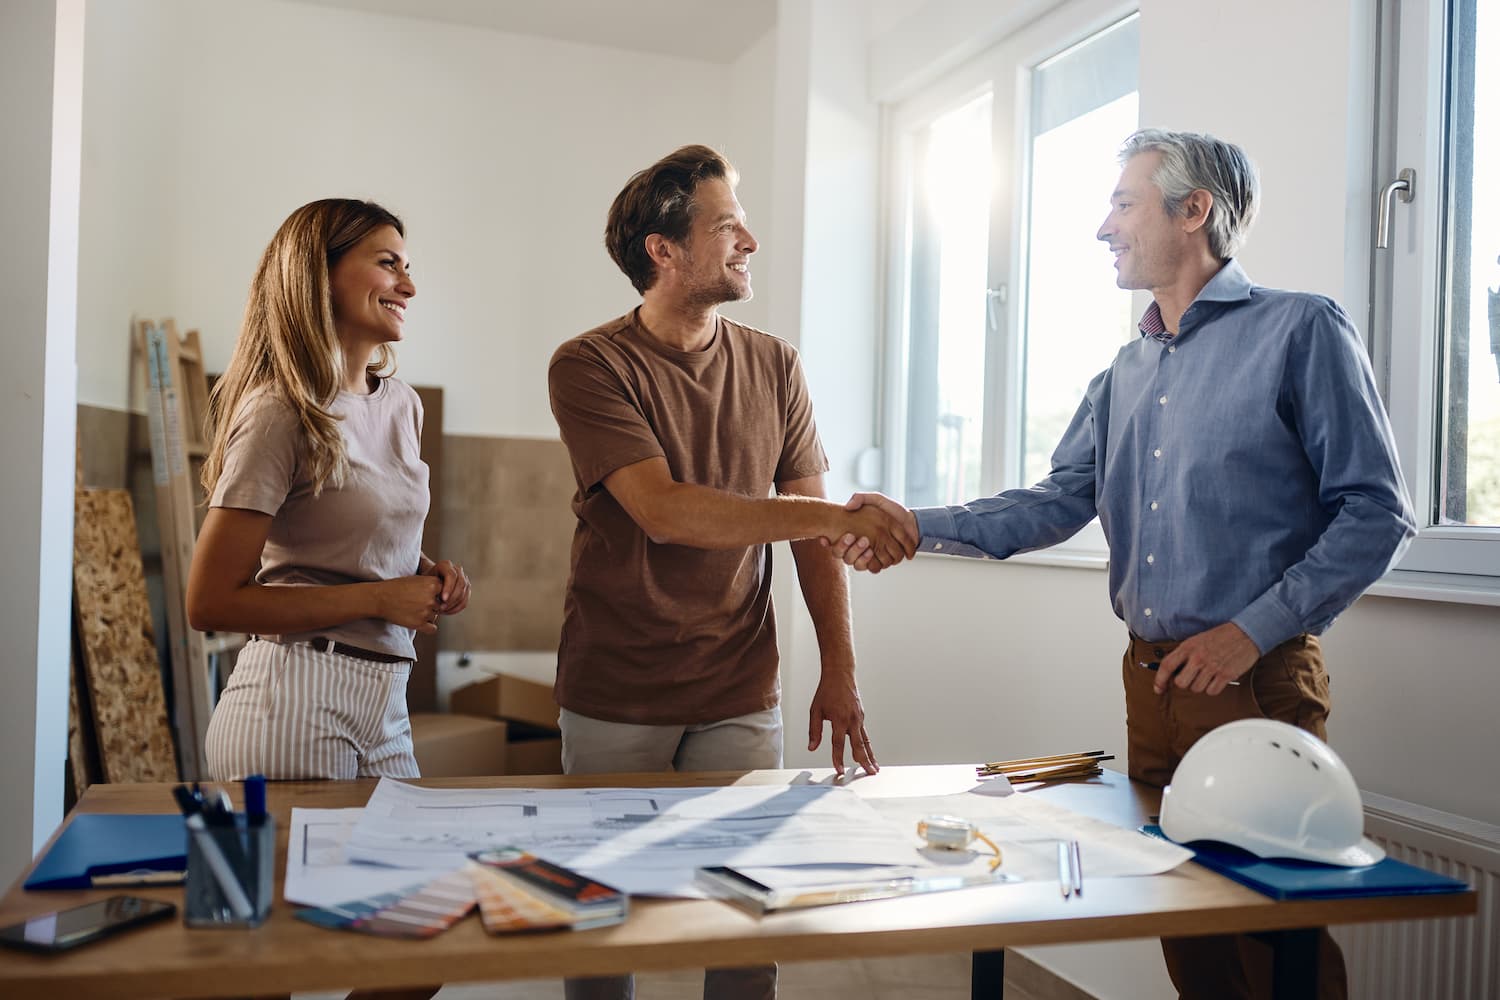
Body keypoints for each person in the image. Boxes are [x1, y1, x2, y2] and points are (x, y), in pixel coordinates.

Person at [834, 129, 1416, 1000]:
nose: (1103, 228)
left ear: (1195, 211)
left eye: (1121, 203)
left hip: (1252, 680)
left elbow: (1377, 509)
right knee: (1183, 917)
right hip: (1151, 683)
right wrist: (912, 525)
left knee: (1271, 931)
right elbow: (1054, 502)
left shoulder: (1300, 329)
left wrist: (1247, 634)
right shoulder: (1123, 372)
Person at [547, 144, 916, 1000]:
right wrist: (837, 516)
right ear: (663, 251)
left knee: (748, 919)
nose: (749, 239)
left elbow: (811, 540)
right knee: (601, 918)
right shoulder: (590, 365)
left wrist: (841, 671)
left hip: (738, 688)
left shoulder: (775, 363)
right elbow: (666, 512)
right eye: (726, 225)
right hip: (616, 688)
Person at [188, 198, 470, 784]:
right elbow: (209, 601)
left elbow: (348, 545)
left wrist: (424, 575)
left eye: (408, 267)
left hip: (388, 703)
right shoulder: (280, 410)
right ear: (321, 273)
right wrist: (378, 599)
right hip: (295, 697)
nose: (409, 286)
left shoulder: (403, 406)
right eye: (390, 264)